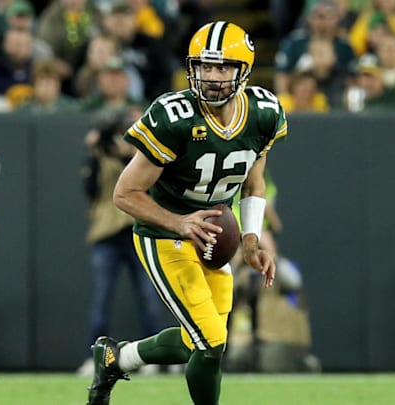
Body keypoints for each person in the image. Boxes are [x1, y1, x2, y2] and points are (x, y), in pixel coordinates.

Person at [86, 21, 285, 405]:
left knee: (206, 339)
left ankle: (116, 358)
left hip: (212, 237)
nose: (211, 76)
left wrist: (251, 239)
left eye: (222, 67)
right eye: (205, 66)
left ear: (242, 70)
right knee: (209, 341)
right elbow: (125, 193)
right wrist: (180, 223)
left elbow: (253, 183)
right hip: (164, 233)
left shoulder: (263, 112)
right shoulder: (174, 116)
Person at [76, 112, 163, 377]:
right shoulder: (98, 157)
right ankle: (96, 356)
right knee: (102, 298)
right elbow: (90, 189)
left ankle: (153, 358)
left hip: (138, 231)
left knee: (149, 297)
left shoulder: (141, 155)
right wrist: (96, 153)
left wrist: (126, 153)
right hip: (107, 235)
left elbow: (149, 184)